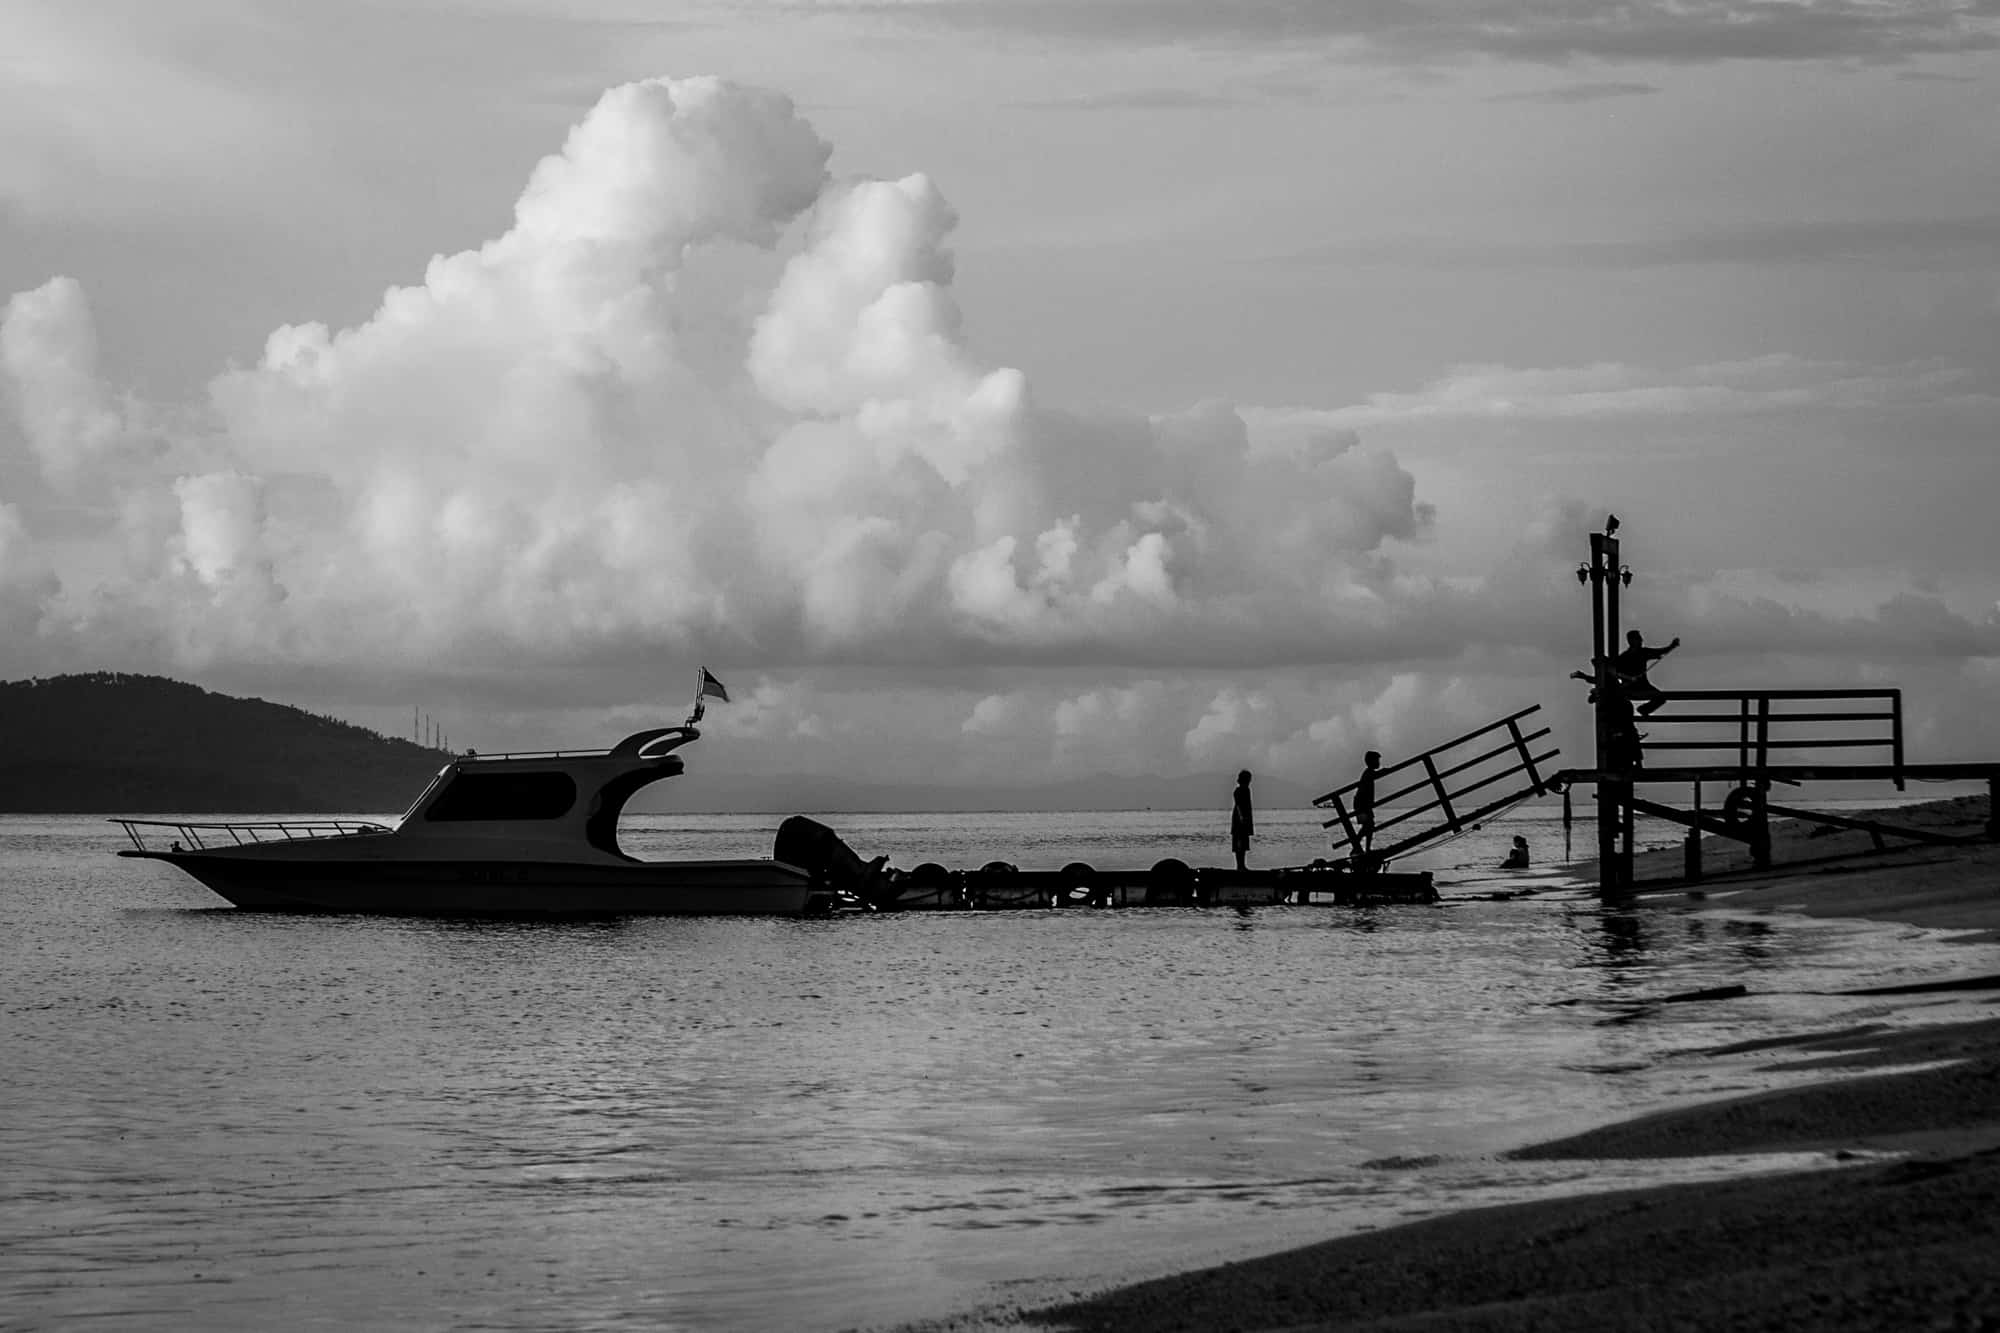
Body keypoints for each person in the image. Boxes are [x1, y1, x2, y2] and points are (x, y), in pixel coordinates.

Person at [1612, 629, 1680, 716]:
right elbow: (1616, 673)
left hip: (1637, 688)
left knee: (1661, 697)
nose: (1641, 641)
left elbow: (1659, 651)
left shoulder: (1638, 653)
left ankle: (1643, 709)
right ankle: (1643, 709)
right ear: (1632, 641)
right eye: (1639, 639)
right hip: (1635, 688)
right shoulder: (1627, 656)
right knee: (1660, 697)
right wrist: (1672, 646)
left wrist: (1671, 646)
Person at [1353, 750, 1381, 856]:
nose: (1378, 762)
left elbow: (1376, 774)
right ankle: (1359, 847)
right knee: (1368, 826)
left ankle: (1362, 848)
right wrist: (1384, 771)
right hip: (1361, 804)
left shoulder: (1368, 772)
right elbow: (1376, 774)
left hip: (1363, 804)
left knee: (1369, 826)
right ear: (1371, 761)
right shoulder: (1368, 772)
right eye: (1377, 760)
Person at [1230, 770, 1254, 871]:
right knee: (1239, 843)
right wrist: (1242, 818)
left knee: (1242, 844)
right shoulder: (1240, 791)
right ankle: (1240, 866)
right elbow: (1239, 805)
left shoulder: (1245, 789)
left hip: (1243, 818)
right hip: (1240, 819)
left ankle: (1241, 865)